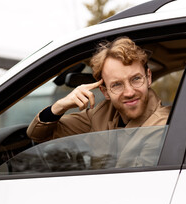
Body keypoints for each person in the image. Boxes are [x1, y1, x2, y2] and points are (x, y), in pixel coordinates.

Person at [27, 37, 170, 143]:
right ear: (105, 91)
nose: (129, 92)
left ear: (148, 78)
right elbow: (38, 135)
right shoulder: (100, 115)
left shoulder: (162, 126)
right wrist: (61, 105)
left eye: (136, 79)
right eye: (117, 85)